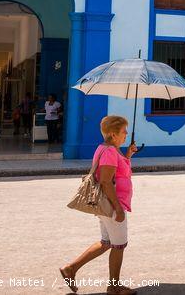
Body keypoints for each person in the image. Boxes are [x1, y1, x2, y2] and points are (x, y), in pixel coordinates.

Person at [60, 115, 140, 295]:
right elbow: (105, 181)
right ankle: (114, 287)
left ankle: (71, 269)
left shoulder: (107, 148)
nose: (126, 134)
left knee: (106, 243)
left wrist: (127, 155)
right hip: (112, 205)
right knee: (119, 246)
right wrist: (118, 208)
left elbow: (116, 172)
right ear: (113, 133)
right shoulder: (110, 151)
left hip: (107, 205)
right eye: (123, 131)